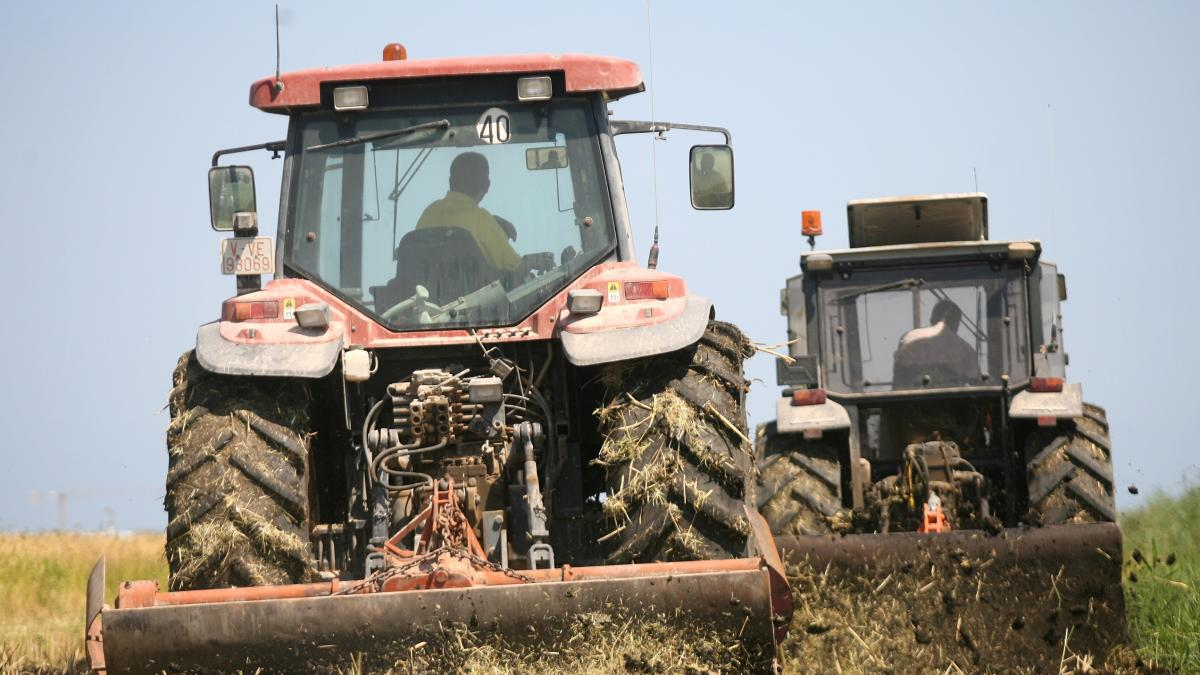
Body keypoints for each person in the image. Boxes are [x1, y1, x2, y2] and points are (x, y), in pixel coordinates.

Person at [415, 151, 552, 278]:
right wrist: (531, 261)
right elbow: (516, 272)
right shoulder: (481, 220)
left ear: (450, 181)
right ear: (486, 186)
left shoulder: (428, 213)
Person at [892, 299, 981, 389]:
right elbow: (976, 383)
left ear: (931, 319)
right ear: (956, 323)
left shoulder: (908, 337)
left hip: (910, 400)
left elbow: (897, 377)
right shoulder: (966, 349)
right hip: (949, 400)